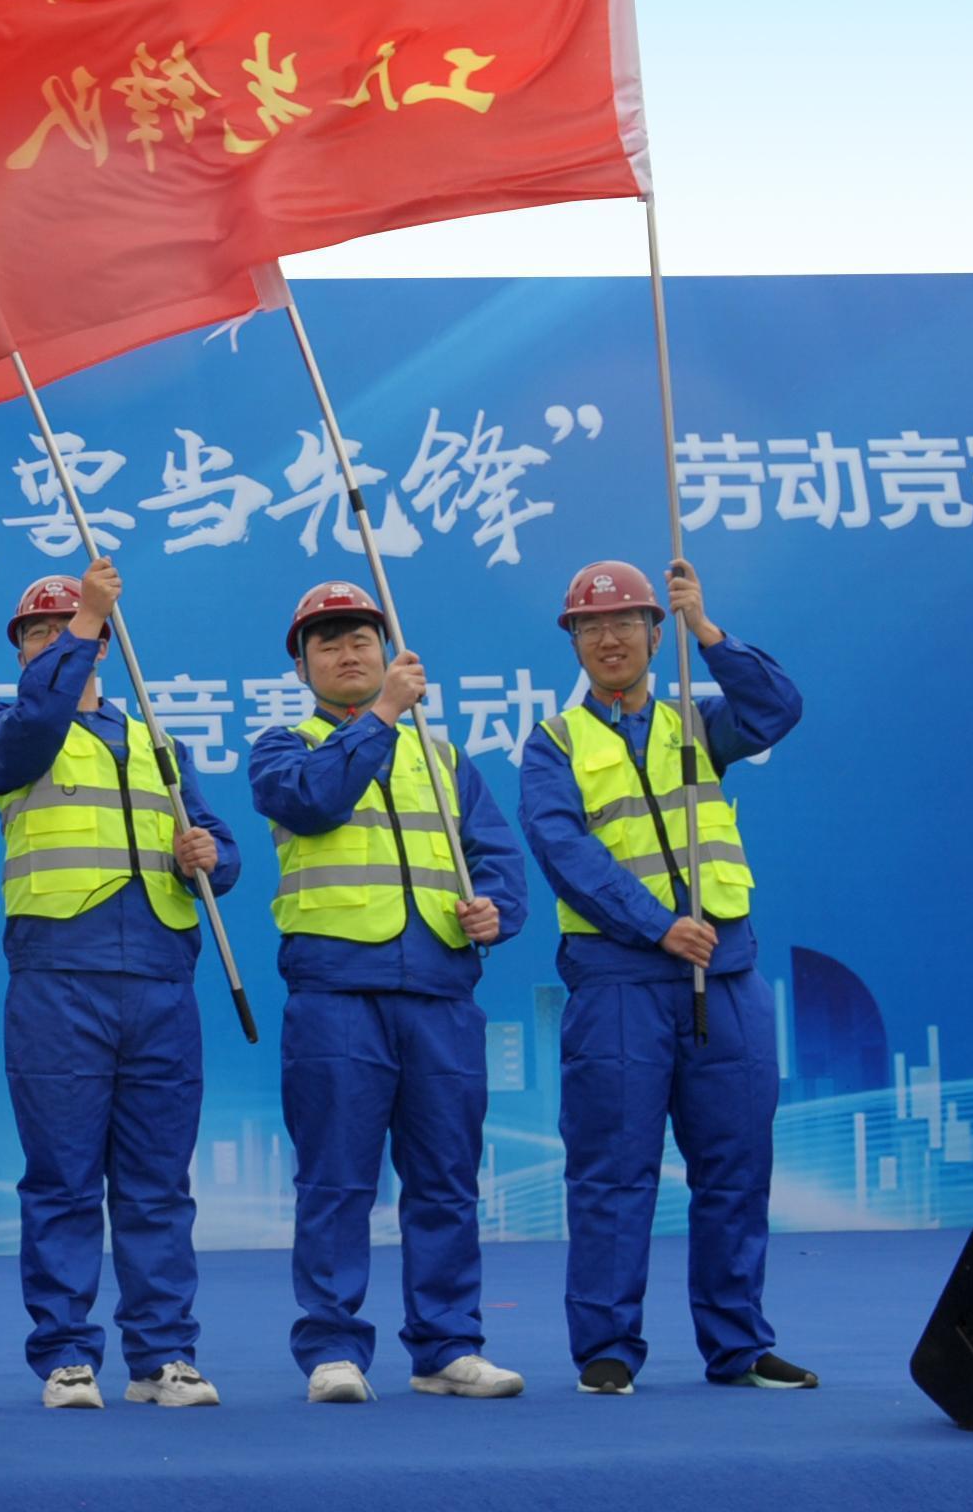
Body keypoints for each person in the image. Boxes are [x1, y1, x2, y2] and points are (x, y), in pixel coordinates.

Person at [519, 558, 809, 1396]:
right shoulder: (553, 743)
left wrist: (707, 631)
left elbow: (777, 709)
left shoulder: (699, 723)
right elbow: (562, 850)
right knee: (611, 1171)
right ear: (573, 642)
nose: (607, 637)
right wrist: (655, 925)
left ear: (654, 633)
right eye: (589, 626)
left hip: (726, 975)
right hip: (618, 979)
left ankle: (738, 1345)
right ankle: (606, 1347)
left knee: (736, 1167)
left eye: (625, 622)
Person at [246, 580, 526, 1404]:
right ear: (301, 668)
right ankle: (332, 1349)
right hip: (336, 992)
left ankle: (447, 1348)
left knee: (445, 1179)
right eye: (326, 644)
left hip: (440, 991)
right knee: (335, 1179)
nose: (346, 653)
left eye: (360, 639)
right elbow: (313, 801)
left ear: (385, 650)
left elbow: (497, 856)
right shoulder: (282, 747)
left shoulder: (443, 759)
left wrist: (494, 910)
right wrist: (382, 717)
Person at [0, 561, 242, 1410]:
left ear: (103, 650)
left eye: (71, 628)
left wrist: (210, 855)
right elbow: (35, 722)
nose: (57, 640)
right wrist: (87, 617)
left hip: (160, 979)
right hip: (60, 978)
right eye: (39, 633)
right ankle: (64, 1354)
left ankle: (162, 1355)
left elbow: (220, 847)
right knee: (61, 1177)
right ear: (21, 654)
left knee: (157, 1182)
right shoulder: (7, 731)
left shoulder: (157, 741)